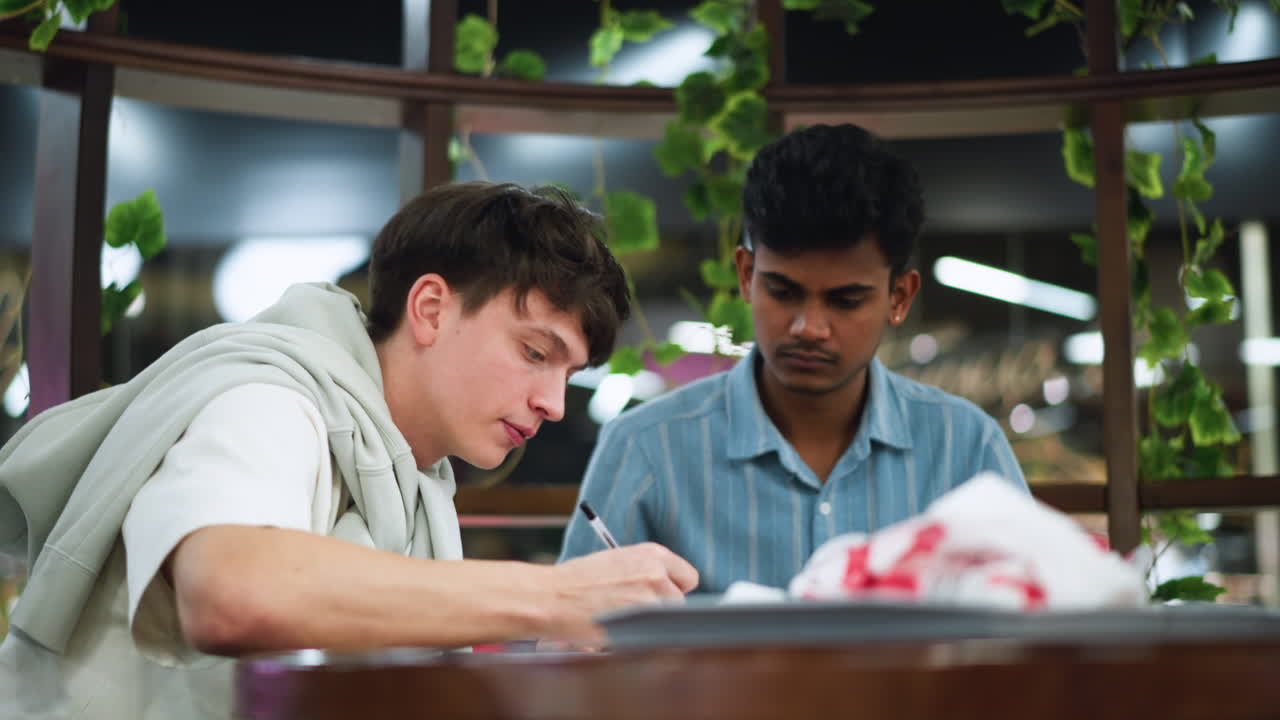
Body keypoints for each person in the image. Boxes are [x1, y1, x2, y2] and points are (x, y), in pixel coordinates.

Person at [0, 182, 698, 719]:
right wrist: (553, 595)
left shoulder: (419, 479)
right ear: (430, 309)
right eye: (535, 352)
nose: (552, 400)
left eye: (568, 374)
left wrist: (545, 659)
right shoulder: (271, 400)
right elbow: (234, 595)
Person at [560, 124, 1028, 593]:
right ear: (746, 276)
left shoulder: (966, 450)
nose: (809, 327)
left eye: (846, 301)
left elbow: (1031, 634)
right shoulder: (646, 448)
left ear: (899, 297)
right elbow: (571, 641)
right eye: (783, 292)